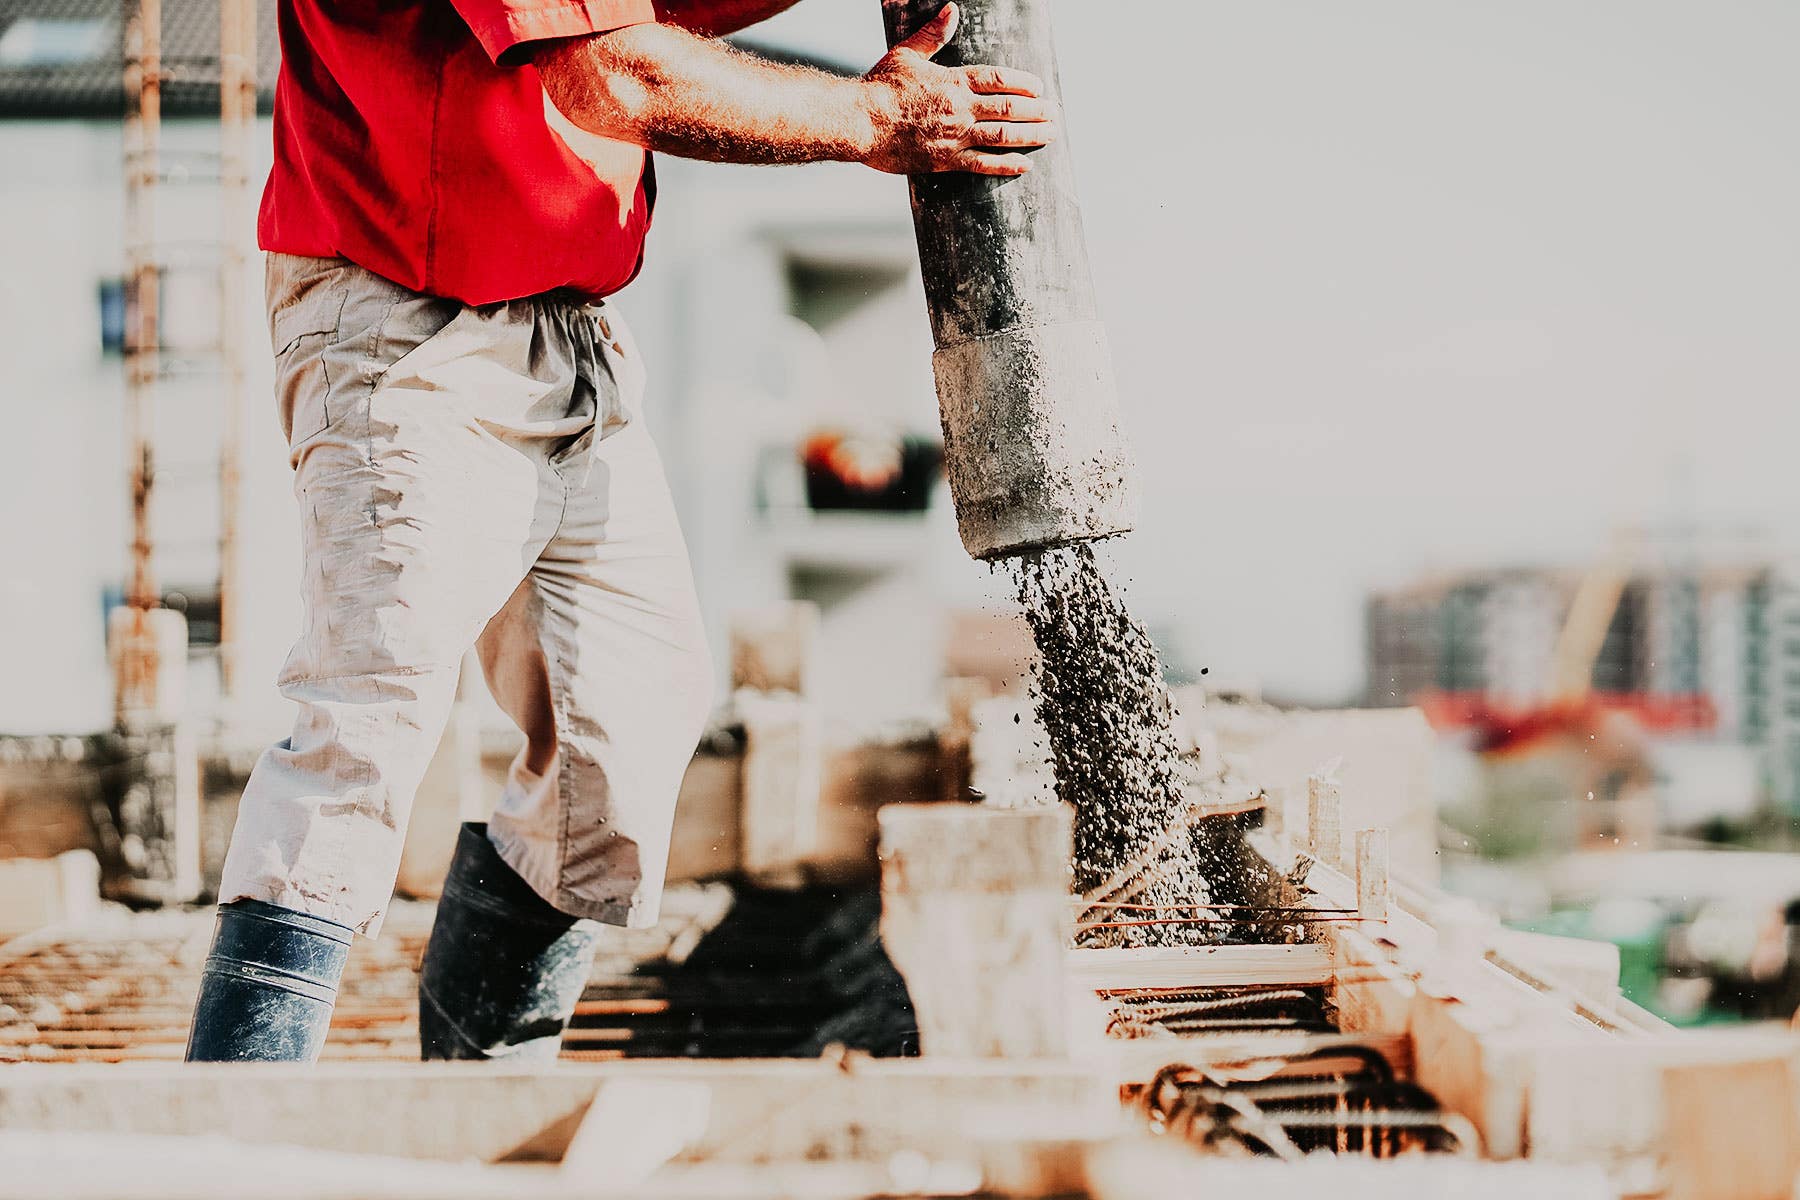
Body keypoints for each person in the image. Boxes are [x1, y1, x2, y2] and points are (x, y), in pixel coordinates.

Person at [182, 0, 1057, 1062]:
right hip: (401, 319)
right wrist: (872, 120)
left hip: (564, 323)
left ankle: (478, 1106)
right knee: (366, 719)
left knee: (626, 727)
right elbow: (614, 75)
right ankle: (229, 1124)